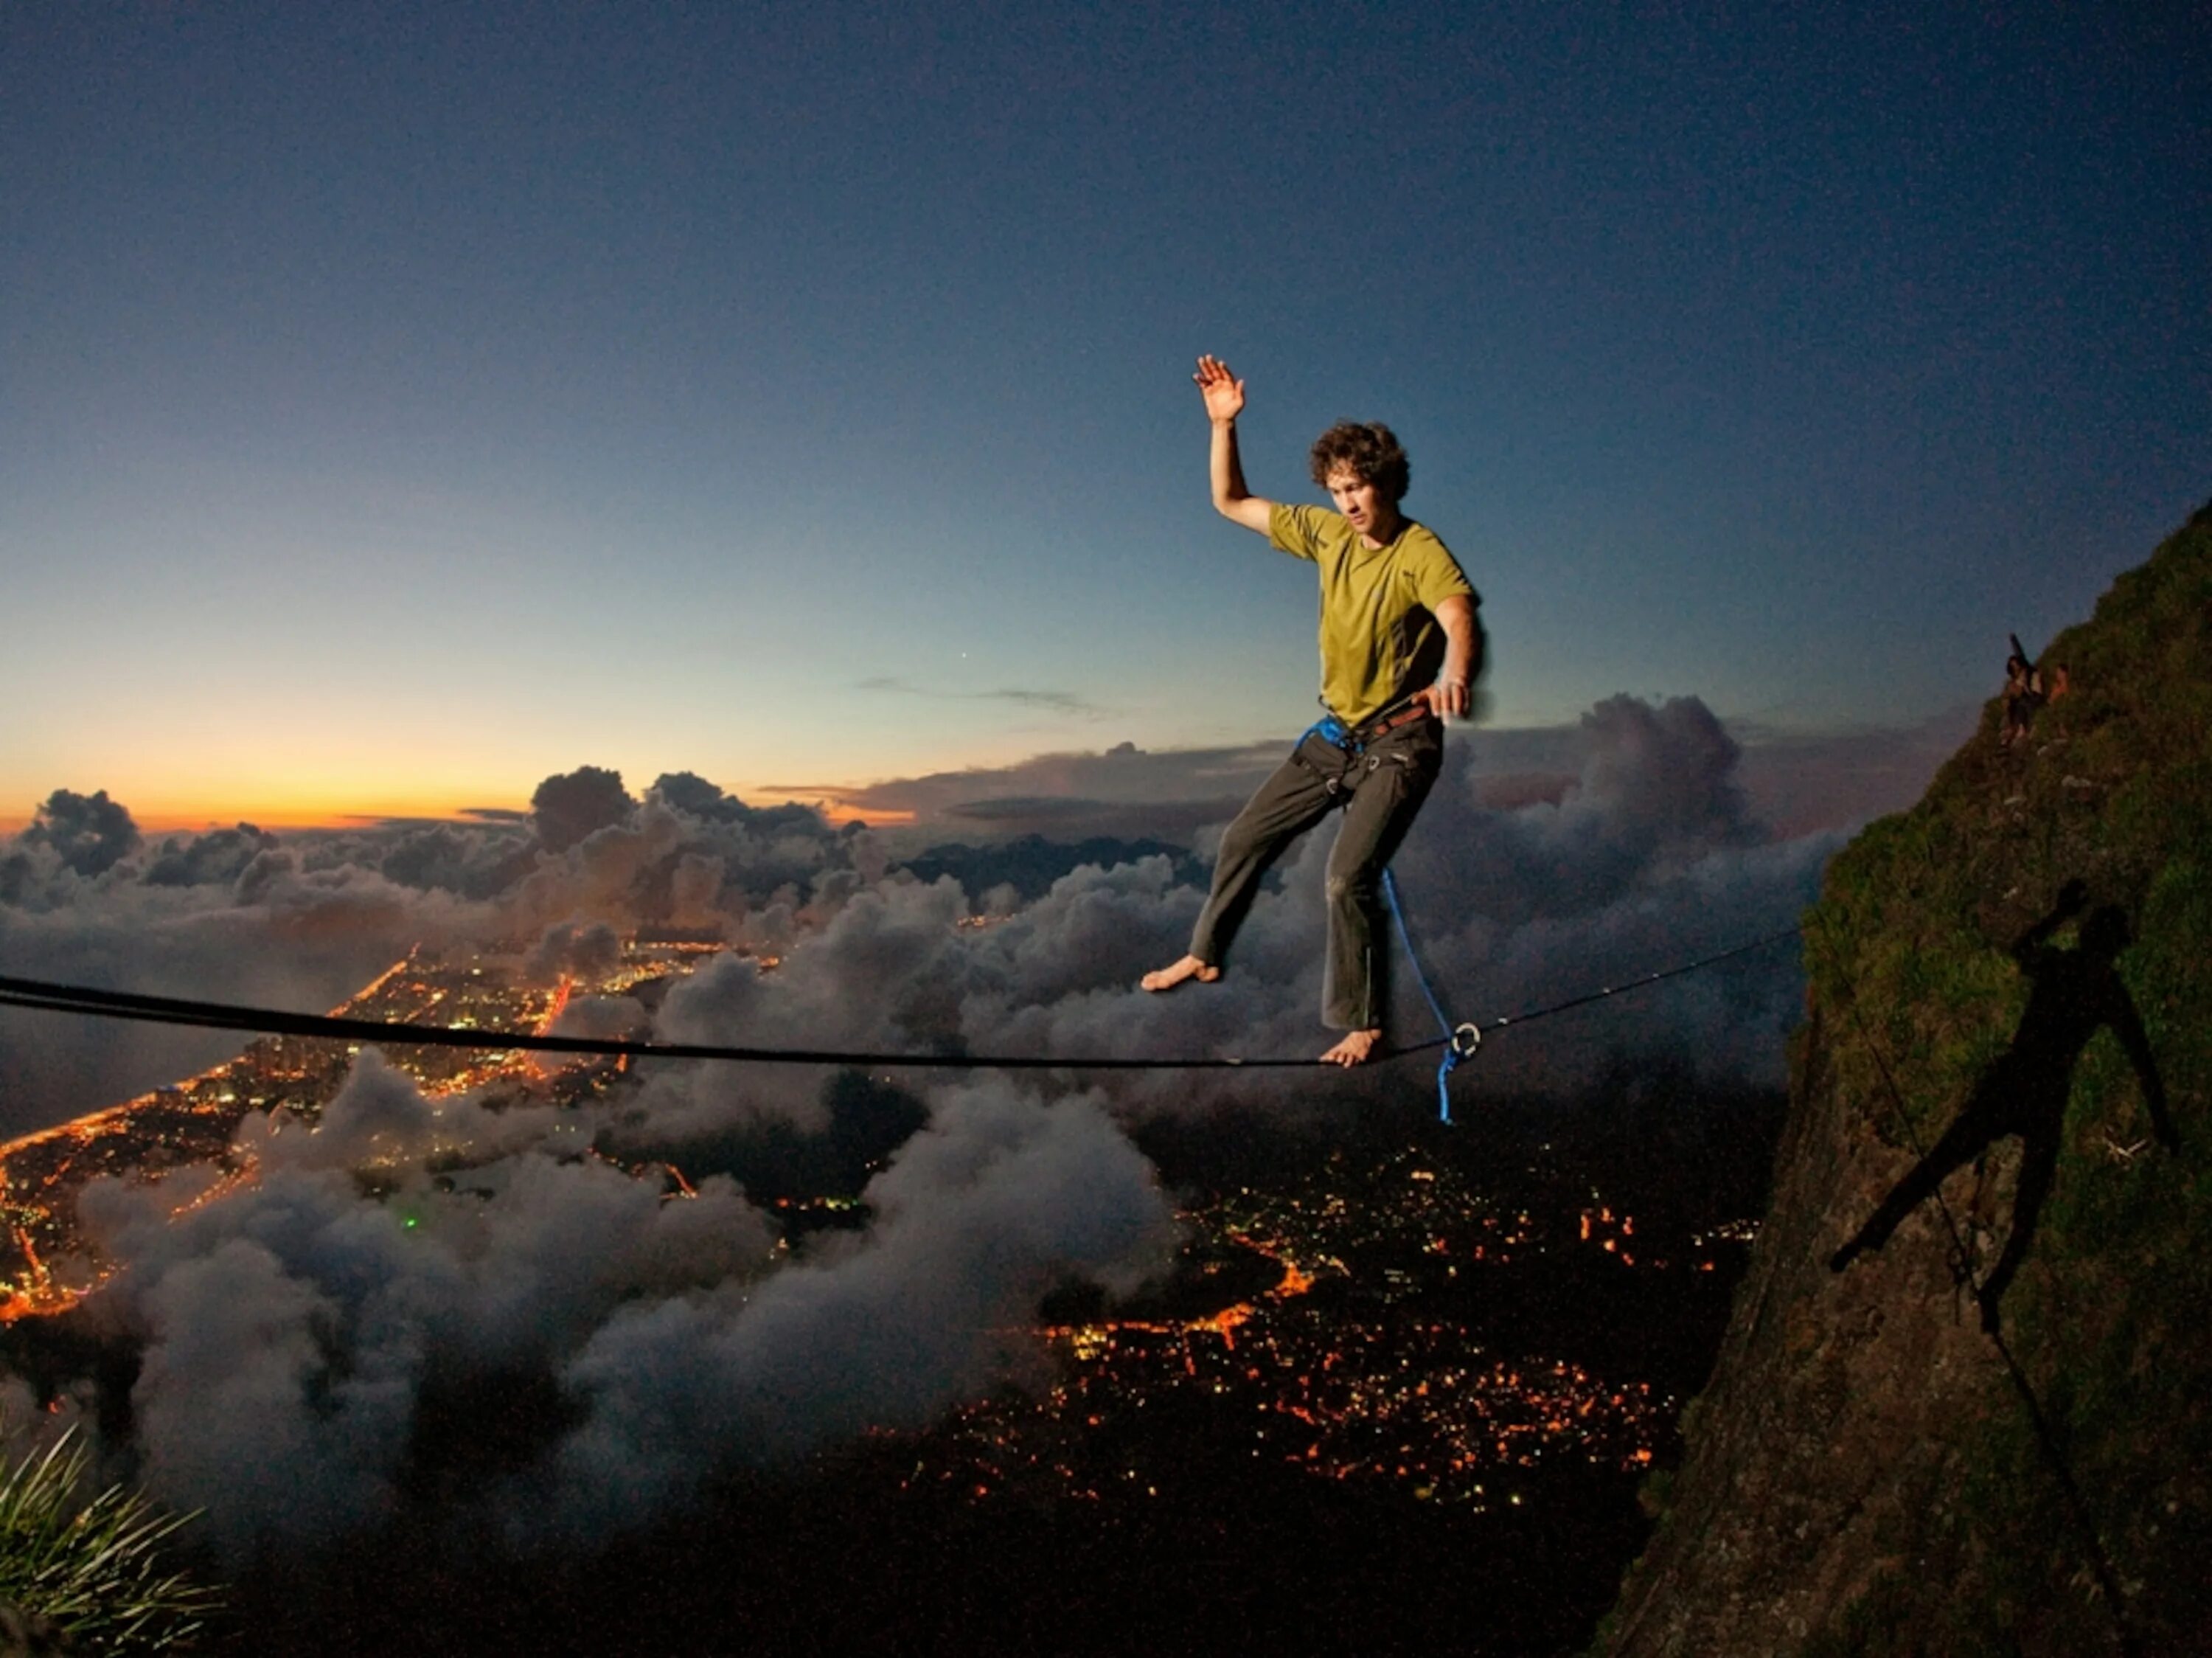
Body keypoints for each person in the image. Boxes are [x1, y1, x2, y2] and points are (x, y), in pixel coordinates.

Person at [1141, 355, 1484, 1066]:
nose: (1349, 503)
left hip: (1400, 743)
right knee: (1242, 839)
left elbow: (1456, 612)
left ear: (1385, 483)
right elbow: (1230, 502)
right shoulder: (1327, 534)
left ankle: (1363, 1020)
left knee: (1344, 877)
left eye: (1357, 487)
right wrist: (1223, 426)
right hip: (1336, 737)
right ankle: (1203, 954)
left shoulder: (1419, 550)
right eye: (1337, 491)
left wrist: (1456, 670)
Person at [1829, 879, 2177, 1331]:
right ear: (2115, 947)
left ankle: (1867, 1239)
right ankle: (1992, 1289)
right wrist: (2163, 1122)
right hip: (2044, 1097)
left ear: (2089, 938)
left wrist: (2059, 914)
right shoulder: (2108, 990)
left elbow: (2020, 949)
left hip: (2010, 1084)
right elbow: (2143, 1061)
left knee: (1938, 1164)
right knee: (2025, 1209)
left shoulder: (2060, 965)